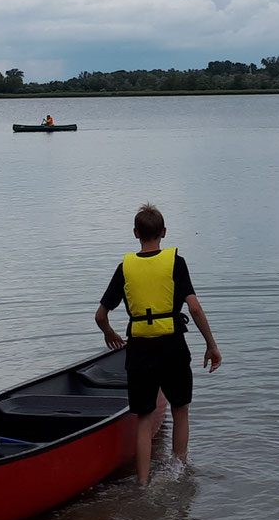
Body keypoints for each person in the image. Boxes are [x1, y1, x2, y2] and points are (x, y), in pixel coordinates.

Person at [94, 203, 221, 484]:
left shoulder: (124, 268)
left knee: (144, 419)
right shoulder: (176, 263)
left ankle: (142, 484)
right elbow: (195, 308)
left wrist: (110, 334)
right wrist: (211, 344)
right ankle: (178, 473)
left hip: (139, 351)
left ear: (136, 233)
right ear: (164, 232)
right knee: (180, 410)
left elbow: (101, 315)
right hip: (172, 347)